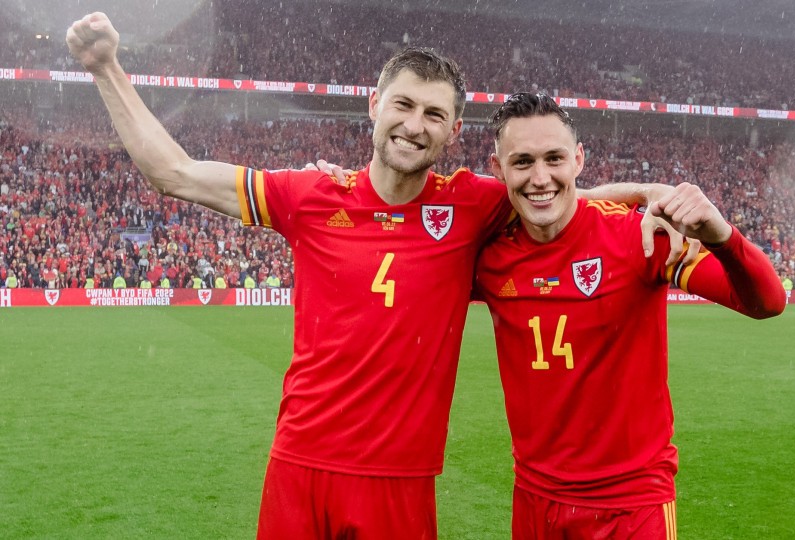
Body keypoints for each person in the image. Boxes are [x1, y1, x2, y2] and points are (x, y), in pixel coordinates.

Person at [67, 13, 687, 539]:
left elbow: (551, 195)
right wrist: (105, 69)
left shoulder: (473, 204)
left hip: (400, 483)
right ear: (374, 105)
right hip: (300, 466)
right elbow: (173, 173)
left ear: (453, 133)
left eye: (435, 114)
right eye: (404, 105)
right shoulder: (309, 195)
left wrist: (654, 195)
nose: (415, 125)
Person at [473, 93, 786, 539]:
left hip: (631, 505)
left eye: (554, 158)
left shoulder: (639, 235)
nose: (540, 177)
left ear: (578, 159)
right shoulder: (488, 254)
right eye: (522, 161)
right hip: (535, 500)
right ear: (498, 167)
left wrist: (722, 236)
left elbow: (766, 301)